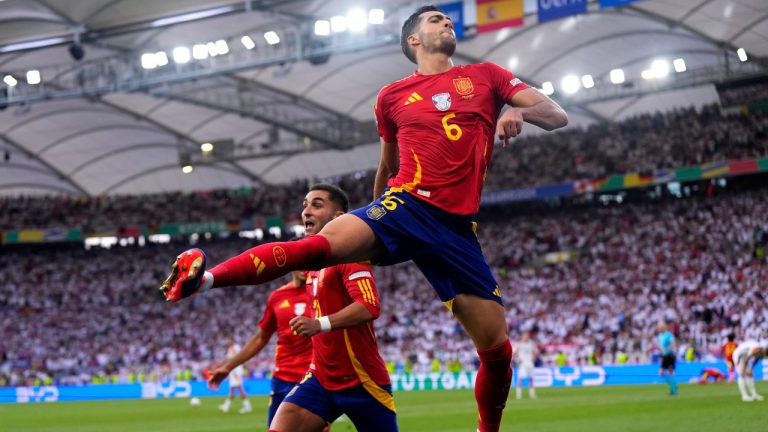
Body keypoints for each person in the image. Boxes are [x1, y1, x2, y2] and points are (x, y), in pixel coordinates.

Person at [160, 6, 567, 431]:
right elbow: (387, 168)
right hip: (405, 205)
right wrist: (375, 223)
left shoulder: (487, 76)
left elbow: (557, 115)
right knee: (318, 247)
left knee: (497, 348)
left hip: (455, 229)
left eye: (448, 19)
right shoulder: (391, 97)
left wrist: (515, 111)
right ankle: (203, 280)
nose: (447, 22)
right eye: (435, 20)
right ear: (413, 39)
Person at [207, 270, 314, 426]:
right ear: (294, 264)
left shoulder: (320, 292)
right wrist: (228, 367)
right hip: (283, 379)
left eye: (311, 264)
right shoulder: (277, 297)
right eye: (303, 263)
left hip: (314, 380)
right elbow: (260, 338)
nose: (307, 269)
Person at [216, 337, 252, 413]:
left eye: (229, 340)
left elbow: (239, 357)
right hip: (233, 371)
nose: (228, 342)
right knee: (232, 389)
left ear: (232, 340)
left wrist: (245, 368)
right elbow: (228, 359)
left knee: (239, 388)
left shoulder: (236, 347)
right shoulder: (231, 348)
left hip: (236, 370)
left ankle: (247, 406)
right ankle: (226, 406)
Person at [514, 332, 538, 399]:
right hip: (522, 363)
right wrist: (518, 359)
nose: (526, 337)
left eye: (527, 336)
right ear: (522, 337)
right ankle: (519, 395)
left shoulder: (531, 343)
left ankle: (532, 394)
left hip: (530, 363)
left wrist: (534, 358)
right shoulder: (519, 344)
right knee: (520, 379)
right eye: (524, 336)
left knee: (531, 378)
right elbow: (514, 353)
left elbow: (535, 352)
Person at [656, 322, 677, 396]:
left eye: (660, 327)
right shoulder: (660, 335)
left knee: (670, 373)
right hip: (664, 356)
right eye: (658, 327)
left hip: (670, 355)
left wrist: (668, 349)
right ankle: (673, 388)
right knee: (661, 373)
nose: (658, 329)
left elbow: (673, 343)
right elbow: (661, 346)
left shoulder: (668, 334)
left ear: (664, 327)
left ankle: (673, 390)